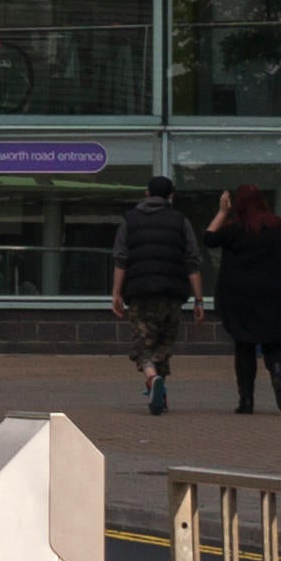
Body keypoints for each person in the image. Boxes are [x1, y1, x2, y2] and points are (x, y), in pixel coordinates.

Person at [109, 173, 201, 416]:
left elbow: (121, 259)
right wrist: (199, 299)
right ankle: (160, 393)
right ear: (171, 196)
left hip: (140, 291)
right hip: (172, 293)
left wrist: (116, 293)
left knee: (143, 345)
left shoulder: (130, 220)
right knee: (164, 343)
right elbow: (192, 261)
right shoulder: (181, 221)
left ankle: (152, 378)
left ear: (147, 194)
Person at [209, 182, 281, 415]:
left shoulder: (234, 229)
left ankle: (247, 400)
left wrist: (222, 212)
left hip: (240, 294)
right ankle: (278, 374)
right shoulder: (278, 226)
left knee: (244, 344)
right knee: (274, 340)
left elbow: (209, 238)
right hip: (274, 292)